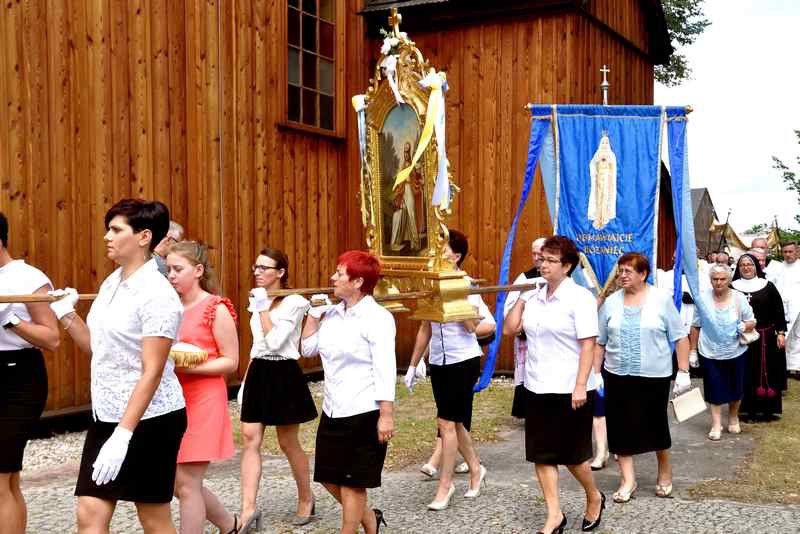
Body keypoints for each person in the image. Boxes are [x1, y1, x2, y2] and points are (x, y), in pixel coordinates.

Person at [49, 199, 186, 533]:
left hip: (151, 420)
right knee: (89, 512)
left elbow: (152, 371)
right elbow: (99, 349)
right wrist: (66, 314)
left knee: (153, 517)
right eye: (107, 229)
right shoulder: (112, 282)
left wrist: (123, 435)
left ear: (143, 237)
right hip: (107, 415)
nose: (107, 237)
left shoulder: (158, 294)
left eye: (115, 230)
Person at [503, 236, 604, 534]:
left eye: (550, 260)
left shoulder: (580, 298)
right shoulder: (534, 296)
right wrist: (522, 297)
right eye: (541, 259)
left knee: (574, 457)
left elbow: (588, 345)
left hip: (570, 387)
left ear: (567, 266)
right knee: (542, 454)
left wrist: (580, 385)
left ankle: (594, 495)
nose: (543, 265)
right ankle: (554, 514)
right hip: (537, 385)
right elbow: (510, 328)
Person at [301, 251, 395, 534]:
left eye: (339, 273)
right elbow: (307, 349)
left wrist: (386, 415)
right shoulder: (332, 314)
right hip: (333, 408)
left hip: (364, 410)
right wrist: (313, 316)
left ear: (357, 282)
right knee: (328, 476)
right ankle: (370, 520)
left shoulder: (378, 318)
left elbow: (385, 368)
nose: (333, 278)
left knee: (353, 482)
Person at [406, 230, 495, 510]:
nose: (437, 253)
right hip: (439, 361)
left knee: (445, 423)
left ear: (455, 256)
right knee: (454, 423)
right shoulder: (431, 283)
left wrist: (465, 311)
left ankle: (445, 486)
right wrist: (413, 364)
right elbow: (425, 326)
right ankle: (476, 468)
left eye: (442, 249)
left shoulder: (466, 284)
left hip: (463, 360)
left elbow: (484, 325)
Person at [595, 253, 690, 500]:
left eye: (628, 271)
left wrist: (683, 371)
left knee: (655, 423)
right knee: (619, 426)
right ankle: (628, 480)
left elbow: (680, 337)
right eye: (620, 271)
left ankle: (664, 468)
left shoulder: (661, 300)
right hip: (617, 375)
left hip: (654, 376)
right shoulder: (611, 303)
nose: (622, 276)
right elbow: (599, 342)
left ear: (643, 274)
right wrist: (595, 373)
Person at [238, 248, 317, 531]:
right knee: (250, 438)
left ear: (280, 272)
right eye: (255, 267)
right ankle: (247, 509)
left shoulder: (295, 302)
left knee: (287, 442)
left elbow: (274, 341)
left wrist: (262, 307)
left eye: (264, 268)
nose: (257, 272)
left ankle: (306, 497)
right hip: (259, 369)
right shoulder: (258, 300)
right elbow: (258, 345)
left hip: (283, 372)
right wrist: (246, 381)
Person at [166, 241, 239, 534]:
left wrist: (189, 367)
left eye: (178, 269)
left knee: (187, 483)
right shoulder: (169, 307)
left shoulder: (215, 308)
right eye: (169, 269)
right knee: (176, 481)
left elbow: (231, 361)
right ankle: (230, 525)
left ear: (198, 270)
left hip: (204, 399)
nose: (171, 275)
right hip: (172, 398)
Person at [0, 212, 60, 534]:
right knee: (7, 478)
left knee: (1, 477)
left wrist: (11, 321)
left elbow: (52, 338)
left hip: (18, 379)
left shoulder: (29, 278)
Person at [688, 264, 755, 440]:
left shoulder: (739, 298)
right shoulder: (702, 299)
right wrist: (692, 350)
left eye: (722, 279)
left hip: (736, 350)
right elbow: (695, 326)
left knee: (736, 386)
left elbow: (752, 321)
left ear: (729, 280)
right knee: (714, 386)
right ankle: (716, 424)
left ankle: (733, 417)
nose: (718, 282)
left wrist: (744, 325)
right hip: (709, 351)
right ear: (710, 280)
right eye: (715, 279)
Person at [732, 253, 787, 420]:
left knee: (767, 373)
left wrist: (781, 333)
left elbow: (778, 310)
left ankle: (767, 411)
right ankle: (745, 410)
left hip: (766, 337)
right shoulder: (732, 287)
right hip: (741, 338)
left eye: (749, 264)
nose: (746, 267)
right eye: (742, 264)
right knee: (745, 373)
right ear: (738, 268)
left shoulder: (768, 286)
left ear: (756, 266)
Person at [504, 237, 546, 418]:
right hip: (526, 335)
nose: (536, 258)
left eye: (540, 254)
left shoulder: (561, 278)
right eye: (533, 254)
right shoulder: (524, 278)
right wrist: (520, 325)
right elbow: (510, 305)